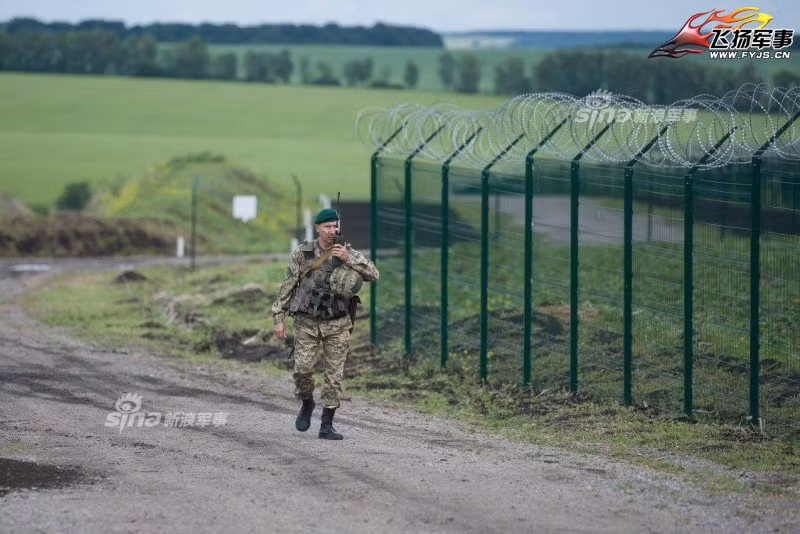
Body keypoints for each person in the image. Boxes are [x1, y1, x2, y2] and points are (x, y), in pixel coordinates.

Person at [271, 208, 379, 440]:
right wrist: (278, 318)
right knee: (302, 370)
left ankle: (327, 424)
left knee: (334, 375)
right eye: (328, 227)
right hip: (307, 322)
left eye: (335, 226)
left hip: (337, 323)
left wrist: (347, 260)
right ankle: (307, 402)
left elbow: (374, 274)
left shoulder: (347, 252)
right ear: (318, 228)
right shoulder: (304, 253)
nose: (332, 231)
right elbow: (287, 285)